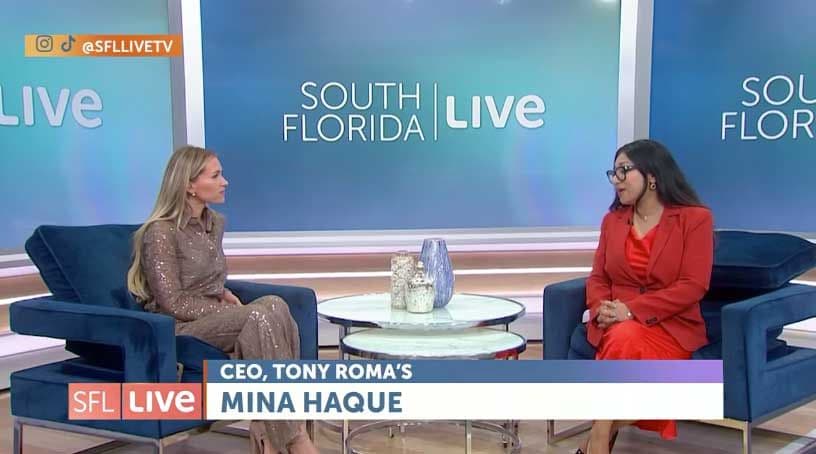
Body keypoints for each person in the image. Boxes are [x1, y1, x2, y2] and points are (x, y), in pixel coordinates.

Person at [127, 146, 319, 454]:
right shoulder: (160, 232)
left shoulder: (214, 223)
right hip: (179, 326)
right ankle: (294, 439)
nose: (225, 182)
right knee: (258, 315)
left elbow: (208, 279)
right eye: (215, 176)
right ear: (189, 185)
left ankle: (266, 427)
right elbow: (172, 302)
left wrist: (222, 294)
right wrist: (225, 310)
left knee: (275, 304)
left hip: (215, 317)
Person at [577, 140, 714, 454]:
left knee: (624, 336)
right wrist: (601, 308)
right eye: (613, 172)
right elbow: (598, 277)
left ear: (652, 176)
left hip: (670, 328)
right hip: (614, 323)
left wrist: (630, 310)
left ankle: (598, 437)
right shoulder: (612, 221)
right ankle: (599, 439)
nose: (616, 180)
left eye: (624, 170)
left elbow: (693, 285)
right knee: (623, 335)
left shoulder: (695, 219)